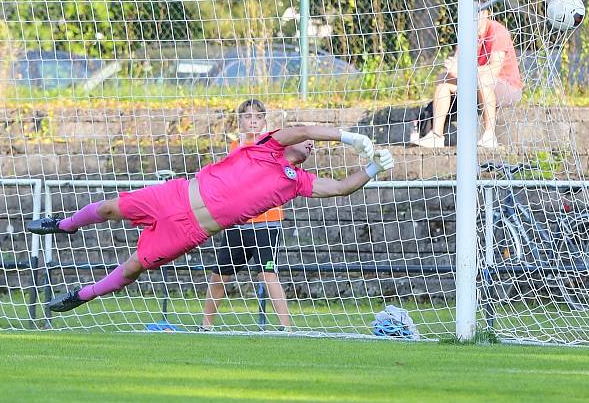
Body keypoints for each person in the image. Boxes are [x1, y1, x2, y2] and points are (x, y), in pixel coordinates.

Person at [28, 124, 394, 313]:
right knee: (110, 208)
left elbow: (342, 187)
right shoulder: (266, 147)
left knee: (133, 269)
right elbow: (305, 130)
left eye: (314, 147)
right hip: (174, 196)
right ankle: (62, 225)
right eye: (309, 142)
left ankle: (81, 296)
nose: (311, 145)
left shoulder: (296, 183)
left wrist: (374, 167)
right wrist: (346, 137)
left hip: (189, 230)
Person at [201, 99, 292, 331]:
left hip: (266, 222)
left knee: (267, 274)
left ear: (264, 121)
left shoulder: (273, 144)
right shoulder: (234, 149)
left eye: (258, 117)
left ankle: (287, 328)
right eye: (248, 116)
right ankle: (205, 326)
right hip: (238, 223)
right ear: (239, 120)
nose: (253, 120)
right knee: (220, 276)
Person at [410, 9, 522, 149]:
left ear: (485, 13)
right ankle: (436, 136)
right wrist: (452, 68)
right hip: (474, 84)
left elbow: (494, 70)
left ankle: (489, 136)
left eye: (476, 12)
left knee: (484, 80)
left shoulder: (497, 31)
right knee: (443, 79)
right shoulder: (467, 33)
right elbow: (457, 65)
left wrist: (463, 71)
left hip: (506, 87)